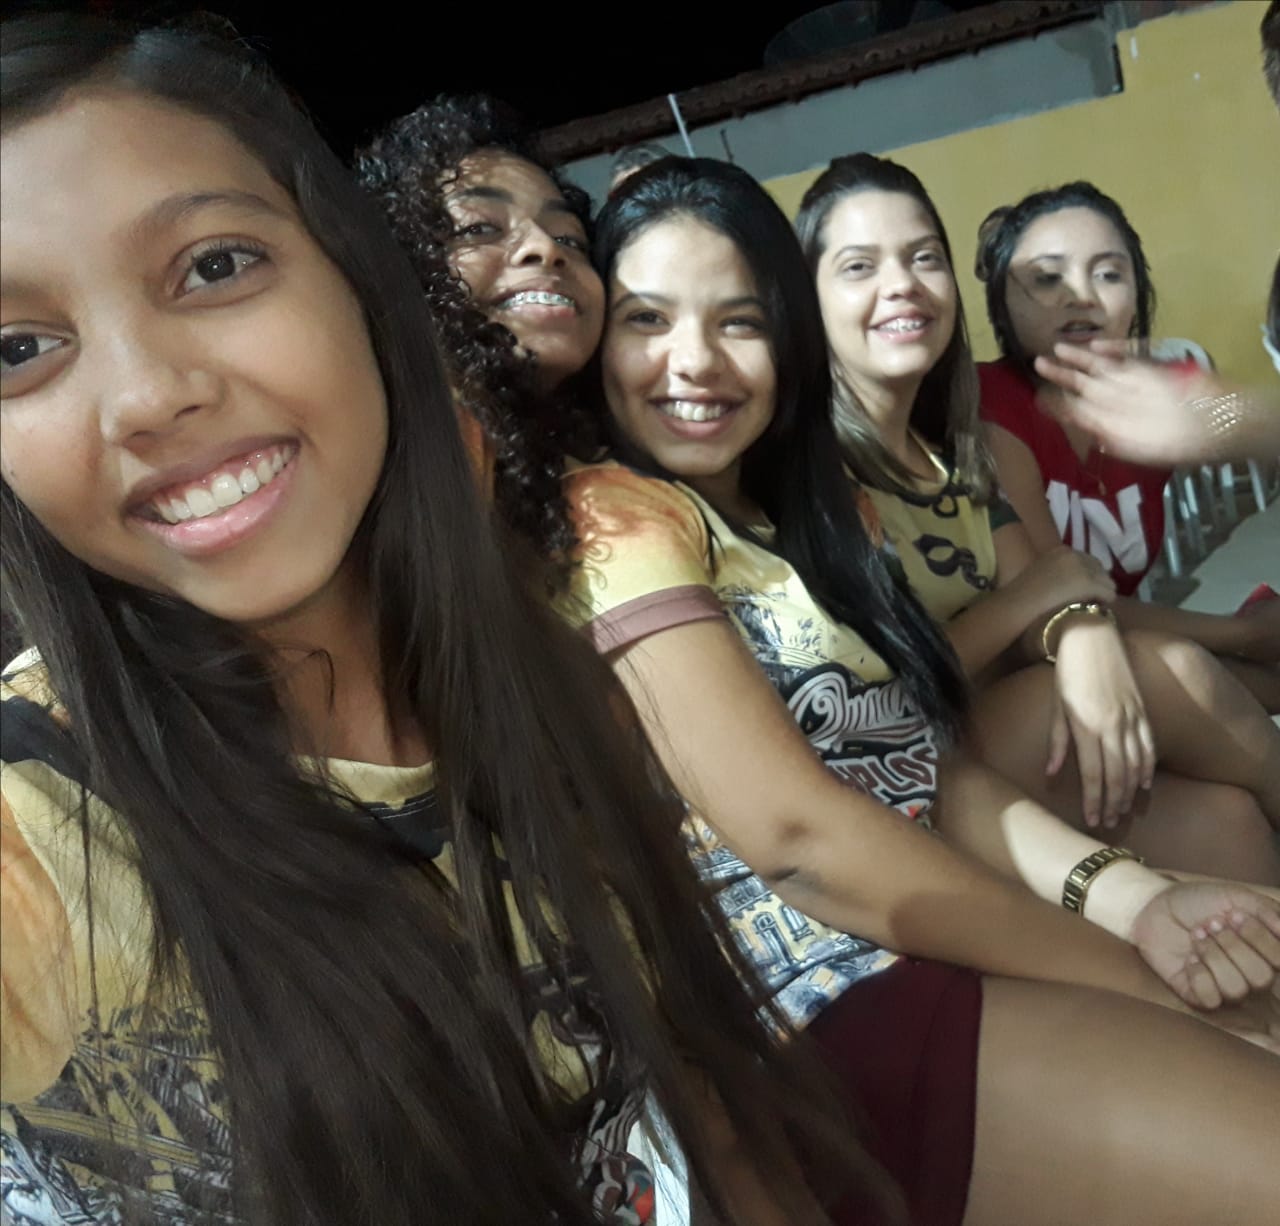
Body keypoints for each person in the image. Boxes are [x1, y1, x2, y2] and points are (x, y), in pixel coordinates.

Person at [0, 17, 887, 1225]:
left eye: (214, 266)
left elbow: (686, 1083)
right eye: (17, 347)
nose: (148, 396)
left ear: (362, 285)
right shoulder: (44, 818)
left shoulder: (536, 674)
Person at [561, 155, 1280, 1226]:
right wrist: (1127, 964)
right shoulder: (611, 516)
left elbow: (922, 764)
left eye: (739, 321)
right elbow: (801, 843)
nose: (695, 359)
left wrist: (1133, 897)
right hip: (803, 1007)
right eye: (647, 320)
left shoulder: (814, 514)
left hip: (923, 920)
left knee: (1240, 939)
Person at [792, 152, 1280, 879]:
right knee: (1177, 671)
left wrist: (1078, 623)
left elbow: (1063, 579)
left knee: (1226, 823)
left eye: (924, 258)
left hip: (1021, 709)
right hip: (916, 760)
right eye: (860, 266)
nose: (1080, 297)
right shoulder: (966, 421)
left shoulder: (954, 455)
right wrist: (1229, 633)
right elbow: (1035, 591)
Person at [978, 182, 1279, 711]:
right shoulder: (993, 406)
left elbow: (1244, 420)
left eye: (1108, 274)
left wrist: (1224, 421)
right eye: (1047, 278)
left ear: (1138, 292)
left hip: (1120, 649)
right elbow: (1060, 603)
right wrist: (1242, 634)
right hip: (1027, 669)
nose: (1080, 296)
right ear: (1002, 303)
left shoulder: (1152, 390)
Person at [357, 94, 605, 568]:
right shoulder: (386, 462)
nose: (545, 248)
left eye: (569, 238)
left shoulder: (581, 469)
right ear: (399, 263)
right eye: (477, 229)